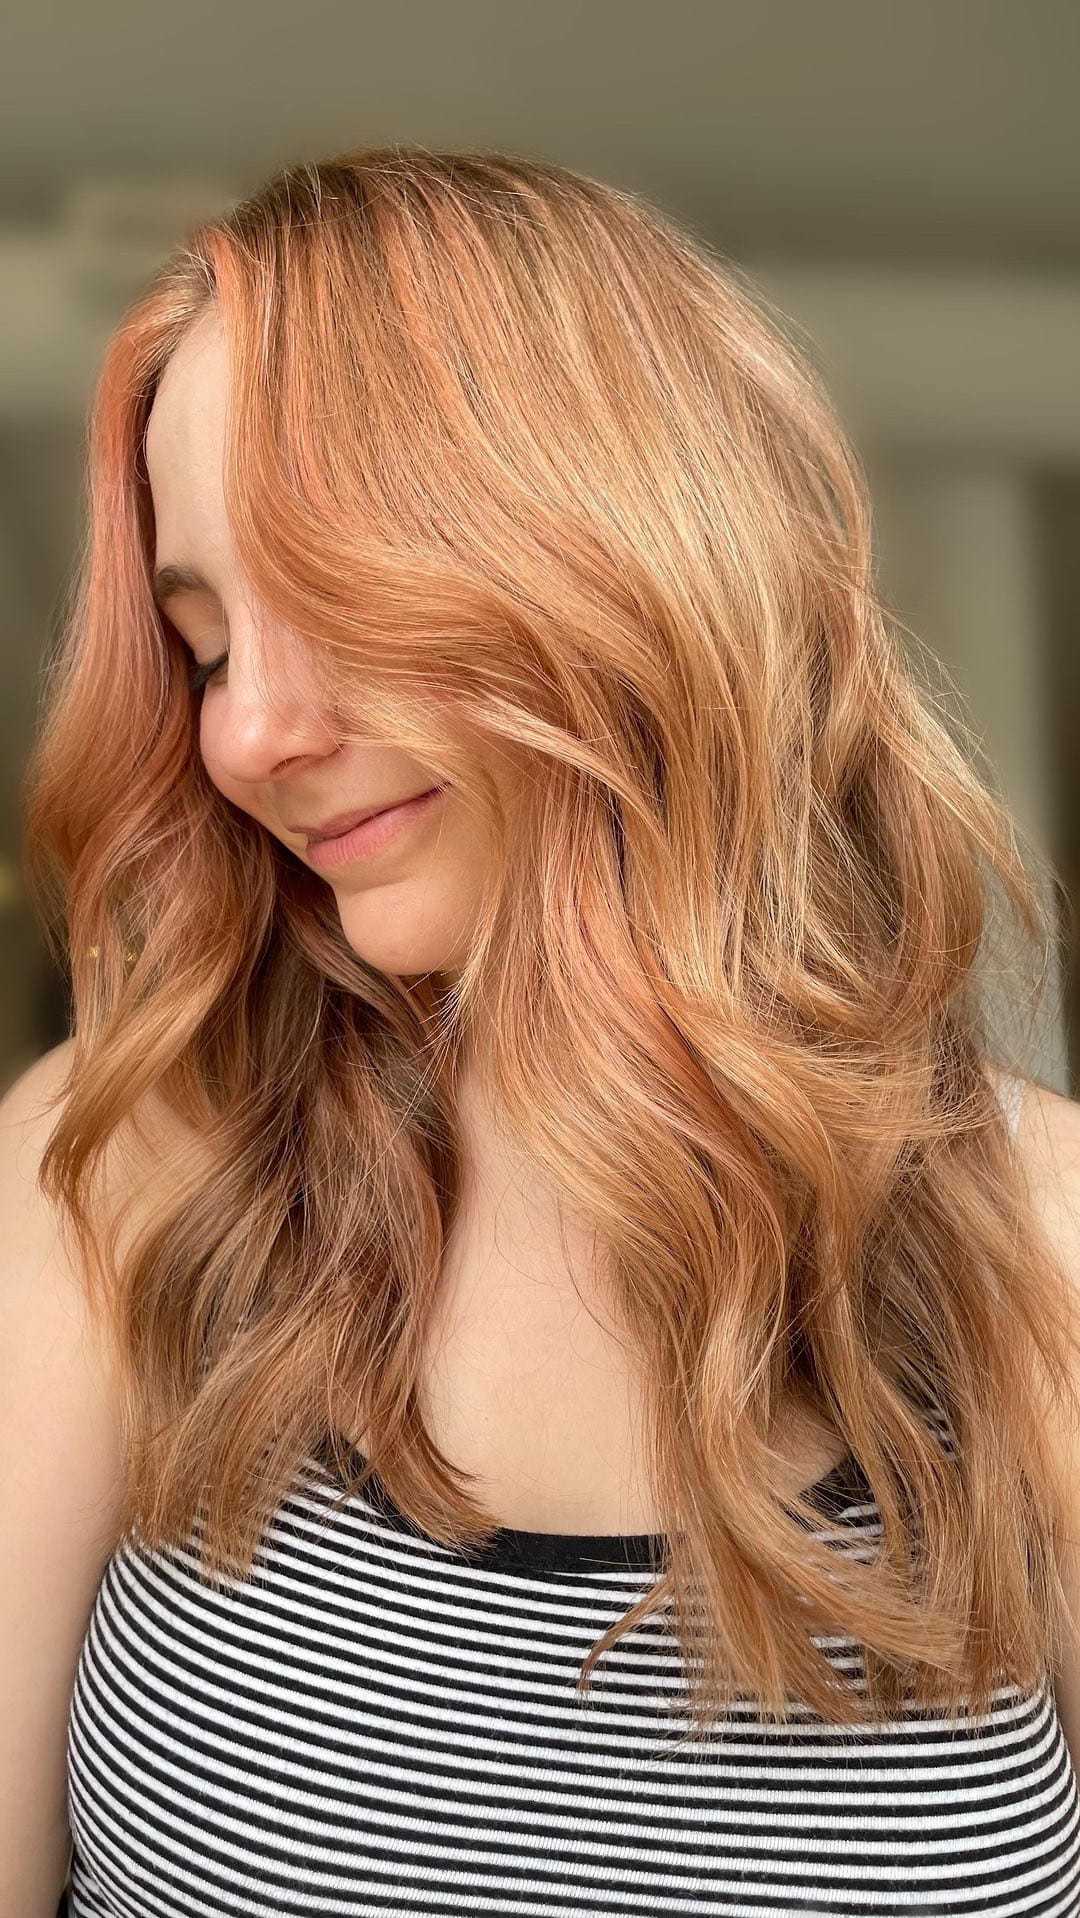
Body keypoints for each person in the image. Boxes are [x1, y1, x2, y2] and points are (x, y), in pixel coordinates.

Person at [5, 145, 1080, 1916]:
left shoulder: (1029, 1247)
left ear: (613, 554)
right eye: (206, 645)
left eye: (329, 588)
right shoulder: (126, 1177)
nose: (249, 732)